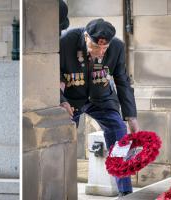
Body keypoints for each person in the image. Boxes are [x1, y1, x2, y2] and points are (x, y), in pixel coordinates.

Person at [59, 18, 140, 196]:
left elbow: (122, 81)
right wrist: (61, 99)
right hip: (72, 99)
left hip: (101, 98)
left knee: (119, 131)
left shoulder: (117, 47)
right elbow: (50, 73)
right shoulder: (65, 42)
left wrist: (132, 117)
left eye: (105, 48)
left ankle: (126, 192)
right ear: (86, 37)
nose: (101, 52)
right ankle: (62, 192)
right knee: (62, 139)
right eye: (97, 47)